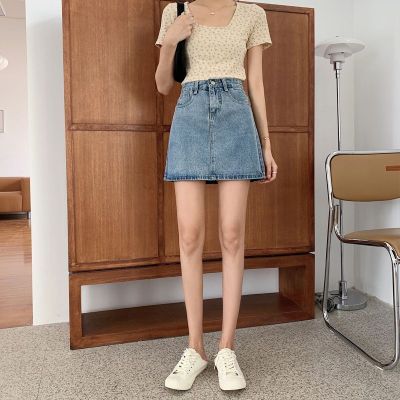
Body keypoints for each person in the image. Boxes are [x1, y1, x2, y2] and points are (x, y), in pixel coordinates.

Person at [154, 0, 278, 392]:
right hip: (189, 117)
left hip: (236, 118)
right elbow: (162, 85)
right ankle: (195, 348)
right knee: (189, 235)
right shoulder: (176, 12)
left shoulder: (252, 14)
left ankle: (227, 348)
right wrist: (170, 41)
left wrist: (266, 144)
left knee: (232, 234)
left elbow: (255, 83)